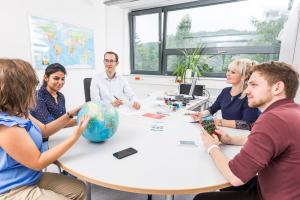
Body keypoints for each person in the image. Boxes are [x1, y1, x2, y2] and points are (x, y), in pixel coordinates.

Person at [194, 61, 300, 200]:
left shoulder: (273, 119)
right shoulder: (292, 111)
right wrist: (230, 139)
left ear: (277, 87)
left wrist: (211, 147)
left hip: (270, 195)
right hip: (275, 185)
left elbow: (236, 176)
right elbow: (265, 141)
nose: (246, 90)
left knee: (202, 198)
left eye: (254, 85)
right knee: (223, 182)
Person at [0, 58, 90, 200]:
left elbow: (45, 129)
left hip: (31, 176)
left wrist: (71, 114)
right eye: (31, 86)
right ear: (17, 90)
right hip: (14, 189)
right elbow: (38, 162)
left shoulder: (20, 112)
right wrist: (75, 135)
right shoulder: (6, 126)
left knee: (79, 189)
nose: (35, 90)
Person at [192, 59, 259, 130]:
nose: (228, 74)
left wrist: (220, 122)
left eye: (233, 72)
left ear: (244, 76)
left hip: (240, 136)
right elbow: (212, 109)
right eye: (228, 70)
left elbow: (248, 124)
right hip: (226, 130)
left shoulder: (249, 96)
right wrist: (201, 114)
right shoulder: (225, 91)